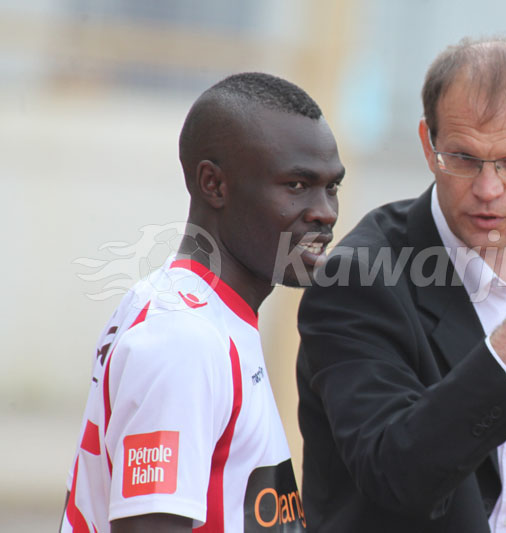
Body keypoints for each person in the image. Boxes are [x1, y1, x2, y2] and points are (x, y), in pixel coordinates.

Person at [296, 38, 506, 532]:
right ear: (429, 145)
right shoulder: (358, 277)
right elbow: (396, 474)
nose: (488, 189)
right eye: (464, 158)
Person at [61, 72, 344, 532]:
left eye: (332, 187)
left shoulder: (200, 315)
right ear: (213, 184)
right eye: (297, 185)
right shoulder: (183, 340)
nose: (325, 211)